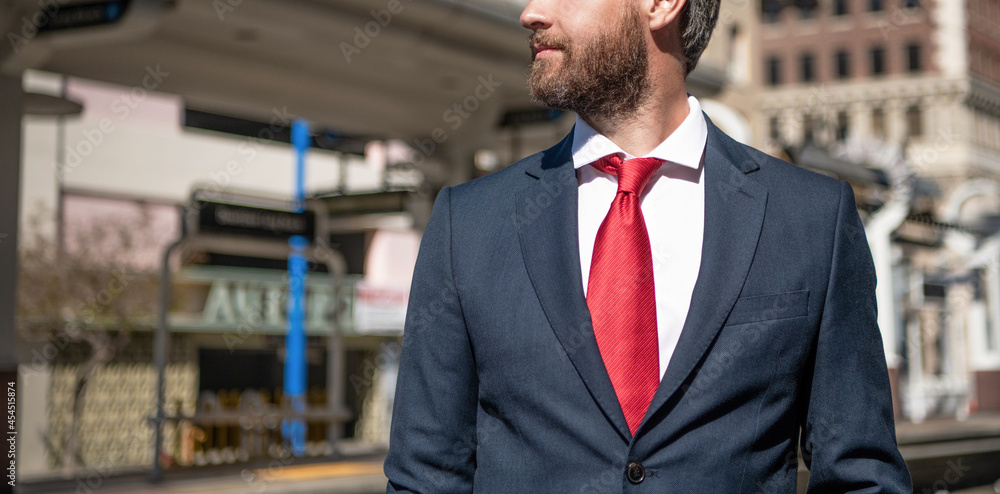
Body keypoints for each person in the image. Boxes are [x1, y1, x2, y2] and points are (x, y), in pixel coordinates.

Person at [384, 0, 912, 491]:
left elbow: (860, 474)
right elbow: (425, 475)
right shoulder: (469, 223)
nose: (531, 13)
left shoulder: (810, 217)